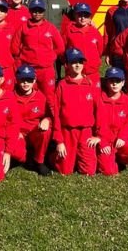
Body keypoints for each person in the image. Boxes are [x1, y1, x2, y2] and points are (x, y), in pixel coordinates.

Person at [52, 48, 101, 176]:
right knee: (64, 170)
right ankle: (54, 153)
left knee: (89, 171)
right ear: (66, 65)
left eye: (80, 62)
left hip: (86, 131)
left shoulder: (90, 84)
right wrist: (59, 141)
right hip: (68, 131)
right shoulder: (62, 85)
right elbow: (56, 113)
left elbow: (99, 111)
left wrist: (98, 135)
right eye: (73, 62)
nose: (78, 65)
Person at [10, 0, 64, 105]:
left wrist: (50, 57)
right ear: (30, 12)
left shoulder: (50, 28)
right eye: (34, 10)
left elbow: (60, 47)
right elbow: (14, 47)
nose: (37, 13)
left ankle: (49, 115)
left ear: (44, 11)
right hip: (29, 69)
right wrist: (23, 58)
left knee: (49, 97)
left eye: (40, 10)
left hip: (46, 70)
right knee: (29, 96)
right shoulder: (24, 27)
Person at [9, 65, 52, 176]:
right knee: (18, 155)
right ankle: (24, 158)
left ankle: (39, 161)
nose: (26, 83)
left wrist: (47, 119)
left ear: (34, 80)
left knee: (45, 132)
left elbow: (49, 115)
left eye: (29, 80)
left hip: (34, 132)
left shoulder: (41, 97)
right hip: (18, 133)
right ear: (17, 80)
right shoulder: (10, 97)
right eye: (23, 79)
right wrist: (15, 132)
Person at [96, 67, 128, 176]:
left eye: (118, 81)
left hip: (120, 138)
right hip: (105, 139)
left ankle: (118, 158)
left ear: (123, 83)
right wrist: (103, 142)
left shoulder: (127, 101)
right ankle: (106, 158)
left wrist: (123, 137)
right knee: (109, 171)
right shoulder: (99, 100)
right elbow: (98, 124)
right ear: (106, 82)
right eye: (111, 81)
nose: (115, 84)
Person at [62, 2, 103, 89]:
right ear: (74, 15)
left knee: (94, 96)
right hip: (74, 73)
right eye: (80, 15)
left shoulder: (95, 32)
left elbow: (100, 50)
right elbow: (62, 50)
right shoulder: (68, 31)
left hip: (92, 73)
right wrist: (67, 66)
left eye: (86, 15)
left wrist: (94, 63)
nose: (83, 18)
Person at [103, 0, 128, 67]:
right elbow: (107, 33)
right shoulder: (112, 11)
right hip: (118, 51)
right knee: (119, 74)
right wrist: (107, 53)